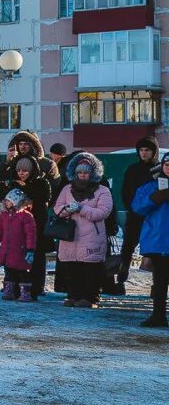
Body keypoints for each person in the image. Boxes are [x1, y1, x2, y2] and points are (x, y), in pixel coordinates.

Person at [0, 130, 61, 295]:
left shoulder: (46, 164)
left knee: (36, 252)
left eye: (26, 144)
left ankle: (36, 287)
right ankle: (13, 284)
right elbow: (0, 180)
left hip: (37, 215)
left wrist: (36, 203)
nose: (23, 147)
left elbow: (52, 189)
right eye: (20, 144)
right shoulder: (14, 162)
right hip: (14, 217)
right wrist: (7, 162)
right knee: (15, 250)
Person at [52, 151, 112, 309]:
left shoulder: (102, 190)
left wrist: (82, 208)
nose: (82, 175)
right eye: (79, 172)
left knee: (91, 269)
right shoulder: (67, 188)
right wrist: (67, 209)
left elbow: (103, 212)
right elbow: (57, 208)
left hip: (92, 235)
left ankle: (91, 298)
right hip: (70, 235)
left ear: (92, 173)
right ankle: (73, 295)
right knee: (72, 268)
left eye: (85, 172)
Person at [111, 135, 159, 293]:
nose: (144, 153)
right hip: (135, 216)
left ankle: (157, 285)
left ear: (154, 152)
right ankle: (121, 281)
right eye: (142, 150)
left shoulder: (160, 169)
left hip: (154, 218)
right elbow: (125, 192)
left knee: (157, 253)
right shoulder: (132, 169)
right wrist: (132, 207)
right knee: (127, 249)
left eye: (147, 150)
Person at [127, 154, 169, 328]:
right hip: (158, 241)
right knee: (159, 281)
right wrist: (155, 197)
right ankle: (158, 315)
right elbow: (137, 207)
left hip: (159, 240)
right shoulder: (150, 187)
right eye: (167, 164)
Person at [0, 188, 38, 303]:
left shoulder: (26, 216)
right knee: (8, 271)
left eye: (9, 200)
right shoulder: (4, 215)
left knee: (23, 272)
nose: (6, 202)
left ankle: (25, 292)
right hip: (7, 250)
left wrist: (30, 250)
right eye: (6, 200)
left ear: (16, 202)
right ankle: (9, 290)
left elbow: (30, 235)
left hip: (20, 250)